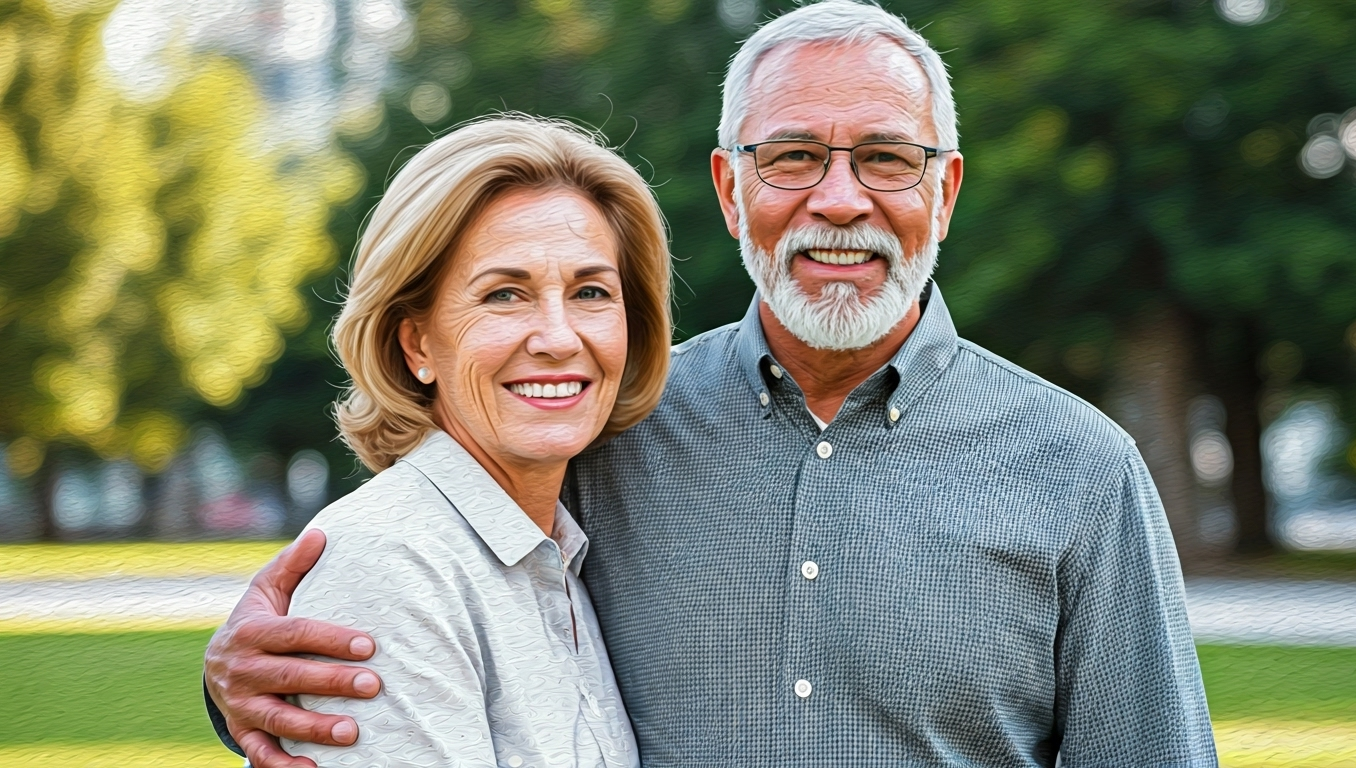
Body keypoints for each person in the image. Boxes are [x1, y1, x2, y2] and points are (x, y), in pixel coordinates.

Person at [204, 2, 1218, 766]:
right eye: (792, 157)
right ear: (730, 190)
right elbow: (424, 592)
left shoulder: (1079, 471)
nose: (838, 200)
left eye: (884, 158)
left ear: (942, 192)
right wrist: (244, 680)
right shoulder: (606, 430)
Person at [228, 115, 672, 767]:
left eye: (590, 291)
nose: (558, 338)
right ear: (416, 344)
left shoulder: (557, 553)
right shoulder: (391, 566)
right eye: (504, 294)